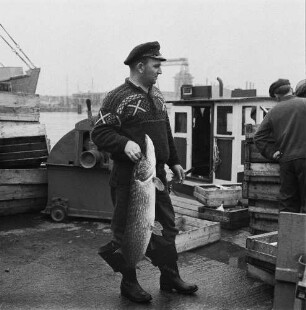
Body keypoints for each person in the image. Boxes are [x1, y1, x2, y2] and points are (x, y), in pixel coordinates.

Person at [91, 41, 198, 303]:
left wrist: (173, 161)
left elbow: (165, 132)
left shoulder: (158, 95)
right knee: (126, 231)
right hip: (129, 176)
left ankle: (169, 277)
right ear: (141, 65)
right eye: (156, 65)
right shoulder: (117, 97)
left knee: (167, 226)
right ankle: (129, 283)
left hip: (156, 174)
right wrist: (123, 143)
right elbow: (100, 132)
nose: (160, 71)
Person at [254, 78, 306, 213]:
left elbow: (258, 137)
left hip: (286, 162)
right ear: (291, 90)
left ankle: (288, 233)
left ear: (276, 96)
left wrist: (272, 152)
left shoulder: (273, 112)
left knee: (288, 203)